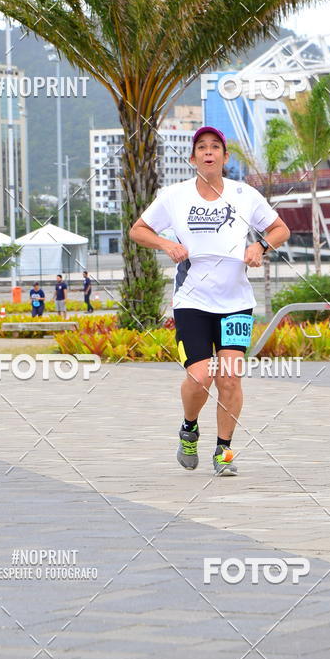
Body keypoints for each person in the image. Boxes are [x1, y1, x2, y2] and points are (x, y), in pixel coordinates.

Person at [130, 126, 290, 476]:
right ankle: (189, 428)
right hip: (192, 301)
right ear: (192, 159)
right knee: (202, 377)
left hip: (236, 302)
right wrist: (166, 244)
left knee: (230, 378)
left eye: (215, 147)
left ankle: (224, 451)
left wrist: (259, 246)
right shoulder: (174, 196)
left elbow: (281, 229)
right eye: (201, 147)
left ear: (224, 157)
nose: (208, 152)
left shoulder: (244, 194)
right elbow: (138, 230)